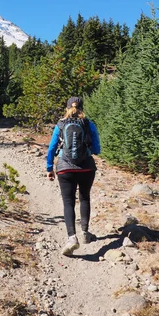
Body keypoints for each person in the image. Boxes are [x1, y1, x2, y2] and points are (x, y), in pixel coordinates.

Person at [46, 96, 101, 257]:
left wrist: (50, 167)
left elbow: (51, 148)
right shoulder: (88, 124)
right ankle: (85, 232)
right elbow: (97, 148)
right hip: (86, 168)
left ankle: (71, 238)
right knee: (85, 198)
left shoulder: (60, 124)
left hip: (65, 168)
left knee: (68, 202)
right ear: (82, 108)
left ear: (67, 107)